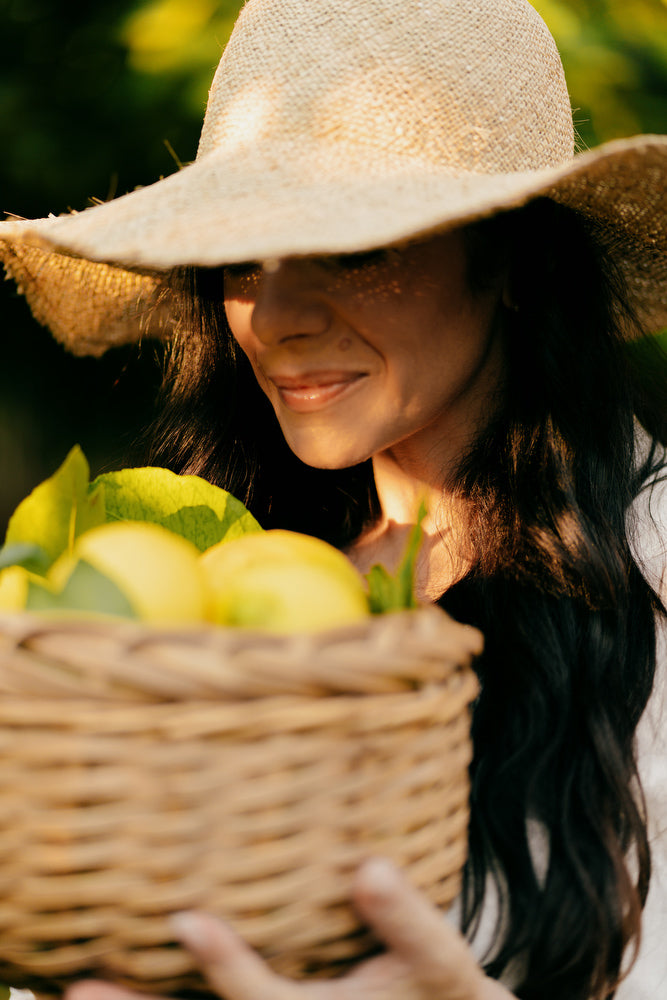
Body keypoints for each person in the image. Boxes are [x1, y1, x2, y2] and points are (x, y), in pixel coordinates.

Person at [1, 0, 666, 997]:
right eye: (240, 258)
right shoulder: (217, 577)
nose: (271, 317)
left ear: (514, 263)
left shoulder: (647, 569)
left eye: (353, 245)